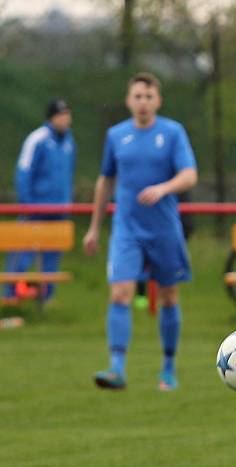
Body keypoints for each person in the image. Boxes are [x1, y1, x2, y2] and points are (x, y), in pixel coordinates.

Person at [82, 72, 197, 391]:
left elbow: (189, 175)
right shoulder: (117, 136)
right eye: (137, 96)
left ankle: (169, 369)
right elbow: (105, 181)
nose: (143, 102)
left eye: (148, 96)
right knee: (120, 292)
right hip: (126, 229)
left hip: (163, 229)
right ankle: (116, 369)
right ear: (128, 101)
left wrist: (164, 188)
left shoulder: (172, 133)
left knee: (168, 296)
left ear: (158, 100)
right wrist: (94, 228)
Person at [3, 99, 75, 303]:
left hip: (59, 210)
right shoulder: (37, 139)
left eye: (67, 114)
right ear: (51, 118)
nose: (65, 119)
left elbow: (67, 174)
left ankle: (46, 300)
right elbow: (23, 172)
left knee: (51, 259)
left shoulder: (70, 142)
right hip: (36, 209)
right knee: (22, 254)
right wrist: (28, 205)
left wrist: (66, 201)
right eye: (61, 115)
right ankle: (10, 298)